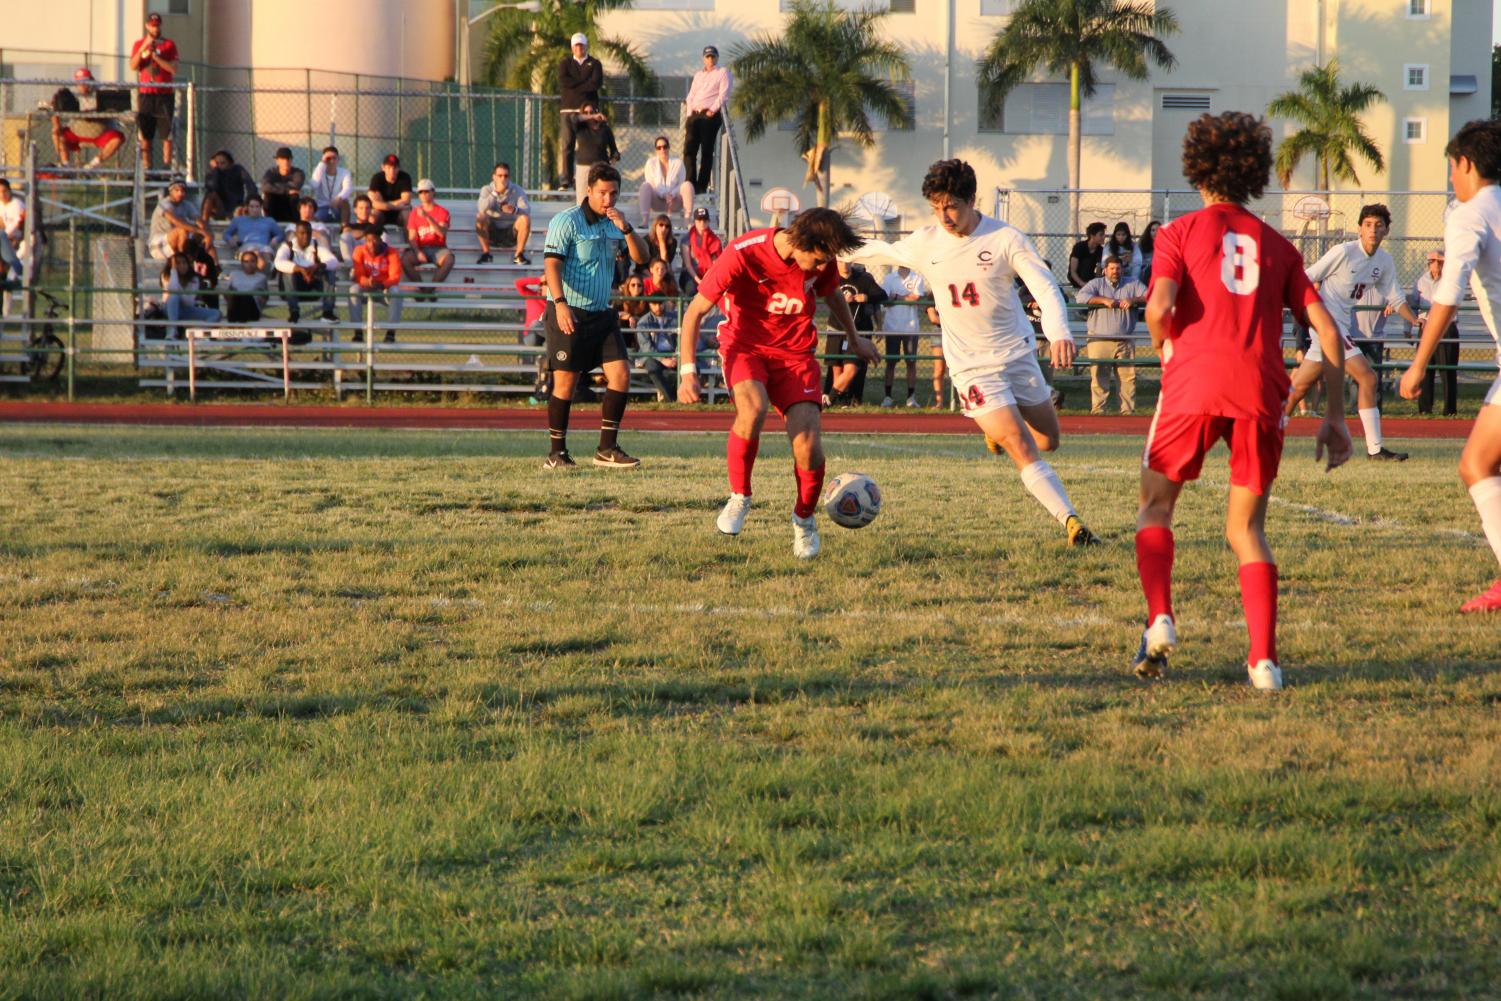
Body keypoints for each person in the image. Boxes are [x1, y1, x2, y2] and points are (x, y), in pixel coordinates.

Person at [1133, 110, 1352, 690]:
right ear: (1253, 173)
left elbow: (1158, 308)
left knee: (1155, 508)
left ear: (1197, 169)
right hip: (1260, 388)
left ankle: (1159, 617)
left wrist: (1165, 345)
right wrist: (1333, 417)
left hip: (1194, 382)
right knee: (1247, 530)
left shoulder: (1177, 233)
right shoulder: (1278, 245)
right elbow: (1327, 335)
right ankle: (1264, 663)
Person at [846, 158, 1103, 548]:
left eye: (951, 205)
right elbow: (880, 250)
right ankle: (1071, 522)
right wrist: (831, 245)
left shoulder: (1006, 238)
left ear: (971, 199)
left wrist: (1059, 331)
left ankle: (996, 432)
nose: (944, 216)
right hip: (971, 367)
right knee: (1021, 445)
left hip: (1016, 355)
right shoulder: (927, 241)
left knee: (1049, 440)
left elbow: (1044, 286)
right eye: (936, 206)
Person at [676, 208, 877, 557]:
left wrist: (855, 339)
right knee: (753, 408)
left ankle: (804, 520)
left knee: (808, 444)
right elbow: (694, 312)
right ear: (799, 243)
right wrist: (688, 372)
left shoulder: (821, 259)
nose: (818, 269)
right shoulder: (743, 253)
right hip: (745, 346)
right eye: (815, 261)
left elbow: (832, 297)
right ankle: (740, 496)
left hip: (796, 355)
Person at [1399, 119, 1501, 613]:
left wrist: (1418, 365)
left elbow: (1449, 289)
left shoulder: (1468, 213)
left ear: (1465, 163)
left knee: (1477, 464)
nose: (1452, 180)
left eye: (1451, 169)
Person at [1282, 204, 1422, 460]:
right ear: (1359, 229)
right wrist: (1305, 310)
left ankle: (1270, 433)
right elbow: (1307, 275)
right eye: (1368, 224)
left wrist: (1414, 319)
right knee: (1367, 378)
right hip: (1328, 327)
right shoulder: (1343, 252)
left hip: (1340, 327)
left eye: (1378, 226)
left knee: (1299, 387)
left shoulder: (1384, 261)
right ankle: (1375, 449)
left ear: (1386, 231)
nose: (1372, 230)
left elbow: (1395, 296)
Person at [541, 162, 649, 469]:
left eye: (613, 193)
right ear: (589, 191)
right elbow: (551, 265)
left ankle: (606, 448)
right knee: (566, 383)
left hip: (602, 313)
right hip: (569, 311)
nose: (608, 199)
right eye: (602, 192)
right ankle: (557, 454)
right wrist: (559, 303)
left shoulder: (615, 222)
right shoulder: (567, 221)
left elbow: (643, 257)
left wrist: (627, 228)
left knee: (621, 375)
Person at [1077, 254, 1148, 414]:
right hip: (1099, 338)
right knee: (1099, 377)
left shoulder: (1132, 283)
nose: (1115, 271)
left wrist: (1133, 300)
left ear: (1122, 269)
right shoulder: (1096, 283)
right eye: (1111, 268)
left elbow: (1150, 295)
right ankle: (1098, 410)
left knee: (1128, 378)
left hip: (1125, 338)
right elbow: (1080, 297)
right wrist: (1103, 300)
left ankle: (1127, 412)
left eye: (1118, 268)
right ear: (1105, 270)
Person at [827, 260, 886, 405]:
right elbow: (821, 294)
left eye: (847, 261)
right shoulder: (831, 277)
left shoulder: (863, 278)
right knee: (836, 368)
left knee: (851, 368)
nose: (845, 264)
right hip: (836, 329)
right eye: (841, 261)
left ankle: (830, 399)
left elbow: (882, 295)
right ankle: (837, 401)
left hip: (857, 331)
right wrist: (840, 299)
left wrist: (866, 297)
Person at [1408, 250, 1460, 416]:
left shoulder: (1451, 280)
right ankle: (1425, 409)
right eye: (1432, 261)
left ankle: (1450, 409)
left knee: (1447, 370)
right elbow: (1413, 304)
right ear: (1428, 263)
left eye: (1439, 261)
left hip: (1446, 328)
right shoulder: (1421, 282)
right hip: (1426, 328)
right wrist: (1409, 326)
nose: (1436, 265)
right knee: (1424, 368)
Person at [129, 12, 178, 170]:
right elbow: (133, 66)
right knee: (145, 133)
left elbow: (173, 69)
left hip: (164, 94)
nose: (154, 28)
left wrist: (156, 57)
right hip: (146, 94)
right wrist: (144, 48)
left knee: (166, 134)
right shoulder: (139, 44)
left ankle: (166, 166)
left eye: (157, 25)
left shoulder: (169, 44)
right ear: (146, 26)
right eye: (151, 25)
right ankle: (147, 167)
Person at [49, 69, 125, 170]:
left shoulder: (102, 93)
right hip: (77, 132)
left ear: (92, 80)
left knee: (118, 138)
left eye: (86, 81)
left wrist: (91, 114)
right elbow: (55, 107)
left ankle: (92, 165)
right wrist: (56, 125)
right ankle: (66, 166)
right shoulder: (72, 96)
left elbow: (112, 109)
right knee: (56, 134)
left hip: (100, 133)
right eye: (80, 82)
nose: (83, 85)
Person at [683, 45, 732, 194]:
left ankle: (701, 186)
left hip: (709, 116)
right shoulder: (698, 75)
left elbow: (723, 95)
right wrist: (689, 113)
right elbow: (691, 95)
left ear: (717, 58)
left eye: (713, 56)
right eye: (707, 56)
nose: (710, 59)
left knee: (706, 151)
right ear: (703, 58)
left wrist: (712, 110)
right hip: (695, 116)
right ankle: (689, 183)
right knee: (689, 150)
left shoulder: (722, 73)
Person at [557, 33, 604, 189]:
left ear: (586, 46)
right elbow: (564, 81)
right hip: (568, 110)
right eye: (576, 45)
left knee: (590, 143)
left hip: (589, 110)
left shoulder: (595, 63)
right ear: (572, 47)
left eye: (581, 45)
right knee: (567, 145)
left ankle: (592, 178)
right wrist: (584, 84)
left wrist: (576, 86)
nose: (579, 48)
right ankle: (567, 179)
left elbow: (595, 84)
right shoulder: (565, 63)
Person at [880, 264, 926, 407]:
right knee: (891, 363)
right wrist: (905, 297)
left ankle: (911, 398)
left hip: (910, 327)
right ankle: (888, 397)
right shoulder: (889, 278)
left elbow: (916, 298)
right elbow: (886, 300)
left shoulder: (917, 277)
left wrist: (897, 296)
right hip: (892, 327)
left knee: (911, 362)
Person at [275, 221, 339, 323]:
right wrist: (300, 269)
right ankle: (294, 312)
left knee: (329, 271)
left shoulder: (317, 247)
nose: (306, 236)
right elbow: (278, 263)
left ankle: (328, 312)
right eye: (302, 233)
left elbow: (334, 261)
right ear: (296, 234)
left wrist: (317, 266)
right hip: (292, 289)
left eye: (308, 233)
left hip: (313, 287)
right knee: (287, 273)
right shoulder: (287, 246)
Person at [350, 228, 404, 344]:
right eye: (368, 240)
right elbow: (359, 275)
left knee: (396, 291)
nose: (371, 244)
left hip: (384, 290)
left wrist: (382, 284)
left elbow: (395, 276)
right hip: (367, 289)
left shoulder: (392, 252)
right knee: (354, 289)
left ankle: (391, 333)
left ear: (380, 240)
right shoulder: (359, 251)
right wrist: (367, 282)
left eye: (374, 240)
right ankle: (358, 332)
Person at [403, 179, 455, 292]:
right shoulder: (414, 213)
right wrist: (417, 251)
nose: (423, 194)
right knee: (405, 260)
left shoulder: (442, 212)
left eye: (426, 191)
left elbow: (441, 232)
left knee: (449, 259)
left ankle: (430, 289)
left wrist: (427, 216)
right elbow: (412, 237)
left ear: (433, 192)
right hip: (421, 247)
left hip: (438, 248)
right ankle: (422, 289)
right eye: (421, 192)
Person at [475, 162, 532, 265]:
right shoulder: (486, 189)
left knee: (525, 219)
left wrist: (514, 210)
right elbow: (481, 208)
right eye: (500, 176)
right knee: (481, 217)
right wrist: (496, 192)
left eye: (506, 176)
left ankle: (519, 256)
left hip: (511, 231)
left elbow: (526, 210)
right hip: (492, 231)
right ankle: (486, 254)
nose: (503, 179)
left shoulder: (517, 190)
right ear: (494, 177)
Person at [149, 178, 213, 261]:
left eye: (183, 191)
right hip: (158, 244)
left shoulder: (187, 204)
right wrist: (200, 231)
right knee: (182, 230)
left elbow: (201, 222)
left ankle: (215, 268)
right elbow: (176, 222)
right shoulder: (164, 204)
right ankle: (183, 261)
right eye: (177, 190)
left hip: (177, 241)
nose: (180, 193)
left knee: (206, 237)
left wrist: (207, 235)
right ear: (170, 191)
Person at [639, 135, 695, 227]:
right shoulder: (650, 163)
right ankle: (645, 221)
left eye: (665, 147)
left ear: (669, 147)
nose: (662, 150)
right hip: (657, 202)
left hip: (675, 202)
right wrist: (664, 194)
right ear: (656, 150)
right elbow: (652, 184)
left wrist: (671, 194)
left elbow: (681, 183)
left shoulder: (678, 163)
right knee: (645, 186)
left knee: (688, 185)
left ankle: (687, 220)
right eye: (659, 147)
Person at [160, 253, 220, 337]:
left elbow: (189, 302)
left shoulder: (194, 279)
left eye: (184, 263)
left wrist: (179, 294)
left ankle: (196, 332)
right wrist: (173, 271)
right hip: (168, 308)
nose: (182, 265)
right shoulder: (167, 276)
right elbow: (173, 290)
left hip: (186, 309)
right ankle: (173, 329)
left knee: (216, 313)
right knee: (174, 296)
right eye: (178, 263)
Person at [571, 104, 620, 205]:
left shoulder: (604, 129)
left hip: (601, 168)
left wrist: (612, 162)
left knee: (602, 200)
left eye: (592, 112)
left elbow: (614, 151)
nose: (589, 115)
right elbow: (573, 118)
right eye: (586, 113)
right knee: (582, 200)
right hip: (583, 167)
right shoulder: (580, 128)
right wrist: (591, 116)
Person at [221, 195, 283, 270]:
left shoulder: (269, 221)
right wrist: (230, 239)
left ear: (261, 207)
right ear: (247, 207)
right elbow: (226, 233)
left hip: (263, 247)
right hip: (245, 247)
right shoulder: (238, 220)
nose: (255, 209)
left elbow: (281, 234)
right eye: (252, 207)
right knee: (251, 254)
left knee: (266, 255)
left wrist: (276, 239)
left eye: (257, 207)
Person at [635, 295, 678, 401]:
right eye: (654, 304)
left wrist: (677, 355)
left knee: (690, 368)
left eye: (660, 304)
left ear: (664, 303)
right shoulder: (643, 322)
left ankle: (683, 397)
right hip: (652, 355)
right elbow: (646, 347)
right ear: (649, 304)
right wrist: (662, 359)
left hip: (673, 354)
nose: (658, 307)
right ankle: (671, 399)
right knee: (653, 369)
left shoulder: (675, 317)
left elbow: (682, 339)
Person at [200, 150, 257, 224]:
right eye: (217, 163)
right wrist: (215, 170)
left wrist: (248, 203)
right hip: (220, 208)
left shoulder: (238, 170)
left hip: (235, 207)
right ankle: (204, 224)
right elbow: (211, 187)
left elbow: (250, 184)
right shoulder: (213, 173)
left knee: (243, 210)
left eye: (223, 163)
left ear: (230, 163)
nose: (219, 166)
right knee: (211, 194)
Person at [308, 146, 353, 227]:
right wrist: (322, 163)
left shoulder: (344, 172)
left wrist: (338, 198)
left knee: (345, 202)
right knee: (312, 213)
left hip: (337, 206)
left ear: (338, 159)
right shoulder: (319, 171)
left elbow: (348, 188)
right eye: (328, 158)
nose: (331, 161)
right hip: (321, 207)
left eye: (334, 158)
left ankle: (345, 228)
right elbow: (314, 184)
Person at [682, 207, 722, 295]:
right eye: (699, 220)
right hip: (691, 274)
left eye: (705, 220)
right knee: (691, 289)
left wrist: (705, 280)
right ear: (695, 222)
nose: (702, 223)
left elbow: (714, 264)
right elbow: (688, 265)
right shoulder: (686, 239)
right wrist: (698, 280)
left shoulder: (715, 240)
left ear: (708, 221)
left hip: (709, 274)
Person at [368, 154, 413, 231]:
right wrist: (395, 206)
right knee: (373, 216)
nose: (392, 171)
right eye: (388, 168)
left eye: (395, 168)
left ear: (399, 168)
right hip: (383, 212)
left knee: (407, 214)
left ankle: (409, 241)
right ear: (383, 167)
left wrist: (383, 204)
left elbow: (406, 200)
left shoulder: (405, 177)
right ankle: (373, 241)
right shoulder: (377, 178)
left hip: (399, 213)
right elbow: (373, 203)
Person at [223, 250, 269, 324]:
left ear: (256, 262)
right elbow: (227, 293)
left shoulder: (261, 277)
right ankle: (232, 317)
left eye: (252, 261)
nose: (249, 264)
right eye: (246, 261)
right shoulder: (234, 275)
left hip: (252, 309)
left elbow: (265, 296)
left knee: (246, 296)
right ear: (242, 263)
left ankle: (239, 318)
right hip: (236, 305)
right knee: (234, 294)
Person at [260, 147, 305, 224]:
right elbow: (265, 186)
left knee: (294, 195)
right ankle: (270, 224)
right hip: (275, 200)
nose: (286, 162)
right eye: (283, 159)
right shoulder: (271, 172)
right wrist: (286, 190)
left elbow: (296, 186)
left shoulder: (298, 172)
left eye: (288, 159)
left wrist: (275, 186)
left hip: (289, 201)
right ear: (277, 161)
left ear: (291, 160)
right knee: (268, 196)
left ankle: (294, 225)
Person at [1068, 222, 1106, 289]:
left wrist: (1097, 285)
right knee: (1086, 262)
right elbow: (1073, 271)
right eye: (1101, 235)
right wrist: (1082, 284)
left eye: (1104, 235)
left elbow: (1098, 271)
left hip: (1090, 281)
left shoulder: (1101, 250)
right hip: (1077, 280)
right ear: (1092, 236)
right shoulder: (1079, 247)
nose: (1104, 237)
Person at [1138, 220, 1161, 287]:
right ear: (1149, 232)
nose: (1155, 233)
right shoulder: (1143, 244)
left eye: (1158, 230)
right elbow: (1140, 260)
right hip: (1146, 268)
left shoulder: (1166, 244)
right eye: (1153, 230)